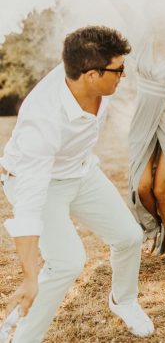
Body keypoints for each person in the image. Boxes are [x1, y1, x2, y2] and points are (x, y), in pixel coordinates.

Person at [0, 26, 154, 341]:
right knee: (67, 263)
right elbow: (29, 204)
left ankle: (123, 301)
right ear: (91, 75)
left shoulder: (91, 73)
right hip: (39, 183)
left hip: (82, 172)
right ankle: (22, 336)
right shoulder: (42, 121)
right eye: (118, 70)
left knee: (129, 237)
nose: (123, 75)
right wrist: (30, 277)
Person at [128, 31, 165, 268]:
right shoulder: (143, 36)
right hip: (144, 113)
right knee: (141, 185)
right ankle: (153, 227)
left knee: (162, 186)